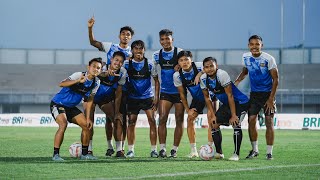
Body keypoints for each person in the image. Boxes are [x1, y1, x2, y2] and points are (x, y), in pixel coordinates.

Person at [88, 16, 134, 156]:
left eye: (128, 34)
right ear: (119, 35)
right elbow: (93, 42)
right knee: (94, 121)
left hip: (119, 88)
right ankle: (96, 148)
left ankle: (120, 148)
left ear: (131, 37)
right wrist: (90, 28)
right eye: (123, 33)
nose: (125, 36)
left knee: (118, 118)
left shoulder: (132, 52)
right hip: (100, 87)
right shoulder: (111, 47)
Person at [234, 35, 279, 160]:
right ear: (249, 46)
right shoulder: (245, 57)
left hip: (268, 94)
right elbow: (245, 71)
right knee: (251, 120)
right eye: (252, 44)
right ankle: (255, 150)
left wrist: (271, 99)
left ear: (261, 45)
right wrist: (236, 82)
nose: (254, 46)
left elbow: (276, 79)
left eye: (257, 44)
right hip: (254, 94)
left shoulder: (269, 59)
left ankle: (269, 152)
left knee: (269, 122)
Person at [50, 58, 102, 161]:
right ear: (88, 67)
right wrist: (78, 81)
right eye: (94, 66)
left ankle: (84, 154)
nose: (96, 69)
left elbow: (90, 100)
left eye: (98, 68)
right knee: (63, 124)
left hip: (71, 108)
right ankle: (55, 155)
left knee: (87, 126)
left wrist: (88, 118)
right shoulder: (78, 75)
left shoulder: (96, 82)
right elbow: (61, 84)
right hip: (58, 104)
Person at [200, 57, 249, 161]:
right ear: (204, 69)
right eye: (206, 67)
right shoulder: (203, 79)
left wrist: (234, 115)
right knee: (214, 123)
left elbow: (230, 95)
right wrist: (213, 115)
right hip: (228, 104)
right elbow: (207, 98)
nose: (209, 69)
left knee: (235, 123)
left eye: (211, 66)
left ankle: (236, 154)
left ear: (216, 66)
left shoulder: (222, 75)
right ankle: (219, 153)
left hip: (240, 102)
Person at [83, 51, 127, 157]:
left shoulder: (122, 72)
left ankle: (119, 150)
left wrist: (117, 112)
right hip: (90, 97)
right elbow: (94, 73)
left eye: (121, 62)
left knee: (117, 120)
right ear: (111, 59)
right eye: (116, 60)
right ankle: (88, 150)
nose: (118, 63)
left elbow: (118, 94)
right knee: (88, 123)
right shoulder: (102, 67)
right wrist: (105, 74)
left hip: (104, 99)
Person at [151, 29, 184, 158]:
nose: (165, 41)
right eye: (162, 39)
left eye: (167, 39)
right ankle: (162, 149)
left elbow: (188, 65)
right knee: (162, 119)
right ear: (160, 41)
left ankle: (174, 150)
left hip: (179, 91)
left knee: (179, 120)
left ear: (172, 39)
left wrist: (181, 66)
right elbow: (153, 71)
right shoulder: (156, 55)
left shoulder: (179, 52)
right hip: (165, 91)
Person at [124, 40, 160, 158]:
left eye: (141, 48)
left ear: (144, 50)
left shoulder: (150, 64)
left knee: (152, 122)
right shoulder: (126, 64)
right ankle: (130, 150)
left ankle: (154, 150)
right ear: (132, 50)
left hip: (147, 97)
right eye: (136, 48)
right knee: (131, 123)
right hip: (132, 98)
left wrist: (156, 98)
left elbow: (156, 81)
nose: (138, 51)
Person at [173, 50, 205, 158]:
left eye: (186, 59)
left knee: (212, 119)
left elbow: (213, 67)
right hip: (197, 100)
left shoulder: (200, 66)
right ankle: (194, 151)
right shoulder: (177, 75)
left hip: (211, 96)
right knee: (189, 119)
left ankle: (213, 148)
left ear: (191, 60)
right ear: (178, 63)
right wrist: (188, 110)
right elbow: (182, 95)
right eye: (181, 60)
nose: (184, 62)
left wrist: (200, 73)